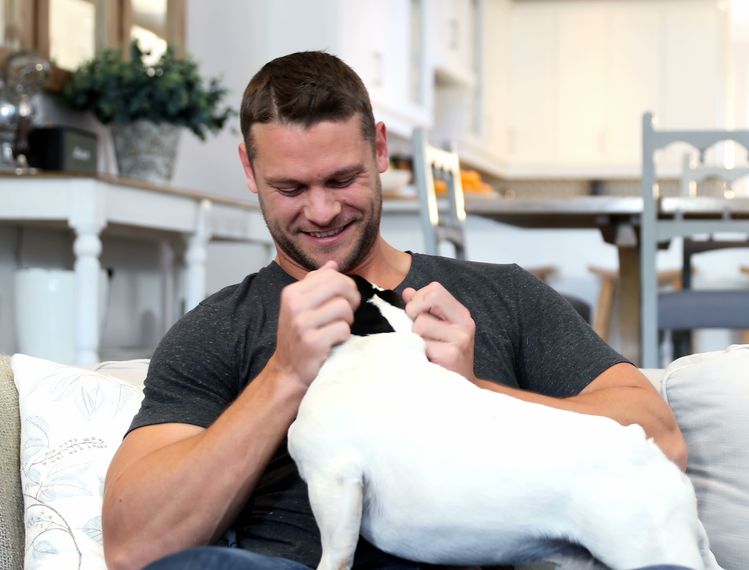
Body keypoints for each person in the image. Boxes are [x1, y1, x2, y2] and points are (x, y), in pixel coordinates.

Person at [101, 50, 687, 570]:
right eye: (291, 189)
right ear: (250, 172)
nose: (323, 210)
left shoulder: (502, 295)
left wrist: (474, 389)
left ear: (380, 149)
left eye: (342, 178)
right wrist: (284, 376)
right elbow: (136, 548)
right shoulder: (223, 326)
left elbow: (660, 442)